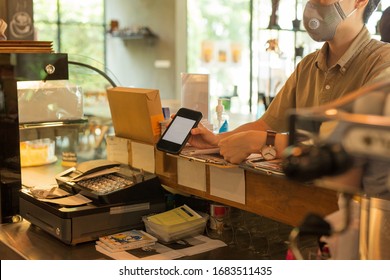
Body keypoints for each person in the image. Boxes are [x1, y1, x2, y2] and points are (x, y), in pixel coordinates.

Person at [189, 0, 390, 165]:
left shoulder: (382, 63)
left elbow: (359, 146)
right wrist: (217, 140)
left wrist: (265, 142)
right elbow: (266, 124)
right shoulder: (308, 66)